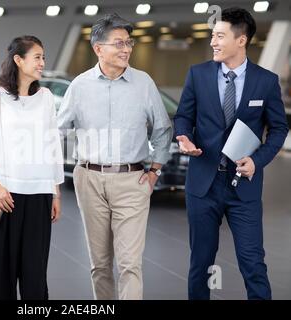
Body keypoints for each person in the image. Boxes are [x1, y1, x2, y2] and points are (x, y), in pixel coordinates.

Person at [174, 7, 288, 300]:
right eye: (212, 35)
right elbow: (183, 117)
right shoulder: (197, 75)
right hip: (203, 185)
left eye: (220, 36)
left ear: (241, 39)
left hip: (244, 188)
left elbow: (278, 129)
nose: (213, 42)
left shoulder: (266, 81)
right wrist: (183, 137)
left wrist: (258, 160)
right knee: (201, 264)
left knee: (253, 264)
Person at [57, 13, 172, 300]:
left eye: (129, 43)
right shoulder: (79, 86)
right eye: (119, 44)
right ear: (98, 49)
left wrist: (155, 169)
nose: (126, 49)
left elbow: (162, 129)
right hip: (89, 180)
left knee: (130, 264)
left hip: (133, 181)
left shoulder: (143, 83)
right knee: (100, 264)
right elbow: (57, 131)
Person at [0, 35, 64, 300]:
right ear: (18, 60)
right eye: (37, 57)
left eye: (44, 57)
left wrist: (55, 191)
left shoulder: (45, 98)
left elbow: (51, 146)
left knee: (35, 274)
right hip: (4, 196)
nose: (43, 62)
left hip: (40, 194)